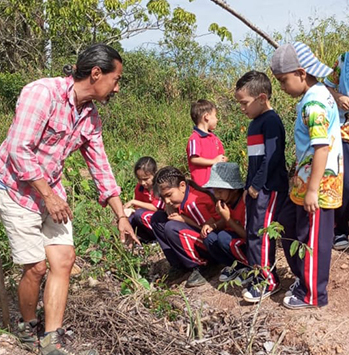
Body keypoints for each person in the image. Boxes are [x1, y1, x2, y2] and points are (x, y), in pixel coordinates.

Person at [0, 43, 139, 355]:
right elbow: (18, 149)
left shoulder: (90, 117)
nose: (116, 88)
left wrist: (121, 216)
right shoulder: (42, 93)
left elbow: (101, 167)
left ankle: (51, 339)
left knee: (63, 260)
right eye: (116, 79)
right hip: (16, 190)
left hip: (51, 192)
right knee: (35, 267)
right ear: (95, 74)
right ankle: (26, 327)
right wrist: (48, 196)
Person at [271, 41, 343, 309]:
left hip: (319, 184)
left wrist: (313, 190)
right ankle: (303, 277)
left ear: (301, 73)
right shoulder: (314, 96)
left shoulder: (314, 103)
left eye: (283, 81)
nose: (282, 87)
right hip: (305, 180)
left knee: (313, 237)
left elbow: (322, 147)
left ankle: (314, 294)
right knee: (288, 222)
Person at [234, 70, 289, 303]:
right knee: (253, 230)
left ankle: (268, 280)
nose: (242, 108)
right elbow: (255, 161)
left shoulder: (272, 121)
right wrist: (248, 186)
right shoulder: (255, 123)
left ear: (262, 98)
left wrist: (256, 185)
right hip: (256, 189)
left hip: (269, 188)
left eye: (245, 102)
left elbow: (272, 157)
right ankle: (257, 272)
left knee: (261, 232)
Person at [150, 166, 220, 287]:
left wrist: (184, 219)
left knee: (171, 227)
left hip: (213, 244)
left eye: (169, 195)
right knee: (157, 219)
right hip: (200, 236)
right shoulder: (181, 197)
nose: (166, 201)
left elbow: (207, 231)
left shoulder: (194, 203)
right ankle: (178, 265)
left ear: (182, 186)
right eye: (163, 198)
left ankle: (203, 266)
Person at [201, 162, 251, 284]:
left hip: (246, 244)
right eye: (215, 192)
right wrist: (213, 225)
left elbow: (248, 235)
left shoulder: (245, 204)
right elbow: (223, 221)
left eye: (220, 191)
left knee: (223, 237)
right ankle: (235, 266)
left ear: (233, 190)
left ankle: (249, 267)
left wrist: (228, 219)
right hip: (233, 240)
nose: (217, 195)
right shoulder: (225, 202)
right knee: (209, 237)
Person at [324, 52, 349, 250]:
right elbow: (328, 85)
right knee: (345, 183)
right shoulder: (343, 60)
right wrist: (339, 97)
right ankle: (340, 230)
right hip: (343, 132)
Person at [186, 99, 228, 186]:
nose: (217, 119)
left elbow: (221, 156)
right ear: (207, 116)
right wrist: (214, 161)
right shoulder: (195, 138)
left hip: (216, 184)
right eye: (215, 116)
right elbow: (194, 159)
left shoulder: (215, 138)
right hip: (202, 186)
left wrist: (223, 160)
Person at [124, 156, 165, 243]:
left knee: (140, 215)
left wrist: (133, 201)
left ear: (155, 174)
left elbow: (156, 208)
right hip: (147, 217)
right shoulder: (140, 188)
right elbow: (137, 207)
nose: (143, 183)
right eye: (139, 179)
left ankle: (160, 237)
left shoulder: (159, 186)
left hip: (162, 219)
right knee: (129, 218)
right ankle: (133, 239)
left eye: (146, 179)